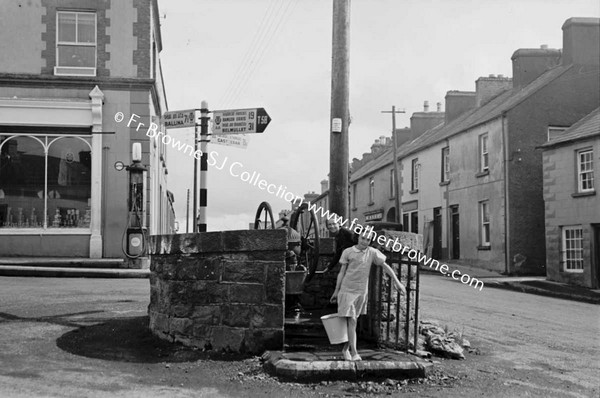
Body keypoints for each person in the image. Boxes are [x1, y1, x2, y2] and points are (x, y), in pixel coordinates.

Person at [330, 232, 406, 361]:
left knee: (353, 321)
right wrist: (336, 291)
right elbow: (342, 272)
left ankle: (345, 349)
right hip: (347, 289)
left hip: (361, 291)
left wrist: (397, 282)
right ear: (358, 238)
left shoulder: (372, 252)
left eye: (368, 239)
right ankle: (354, 353)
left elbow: (386, 267)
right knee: (352, 320)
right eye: (363, 238)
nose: (365, 241)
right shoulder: (348, 252)